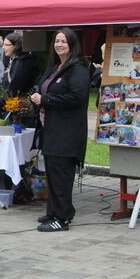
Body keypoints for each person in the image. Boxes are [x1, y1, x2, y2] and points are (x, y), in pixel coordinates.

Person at [30, 28, 90, 232]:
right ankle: (53, 211)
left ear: (72, 44)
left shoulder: (78, 68)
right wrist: (38, 95)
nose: (59, 45)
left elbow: (77, 97)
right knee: (53, 173)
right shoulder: (56, 66)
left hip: (67, 132)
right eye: (56, 41)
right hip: (52, 130)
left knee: (62, 175)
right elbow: (46, 88)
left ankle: (62, 218)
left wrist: (46, 99)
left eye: (63, 41)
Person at [0, 32, 38, 120]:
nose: (3, 48)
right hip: (10, 105)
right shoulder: (14, 59)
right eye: (3, 44)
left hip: (17, 108)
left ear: (16, 46)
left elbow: (14, 86)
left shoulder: (23, 62)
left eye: (6, 45)